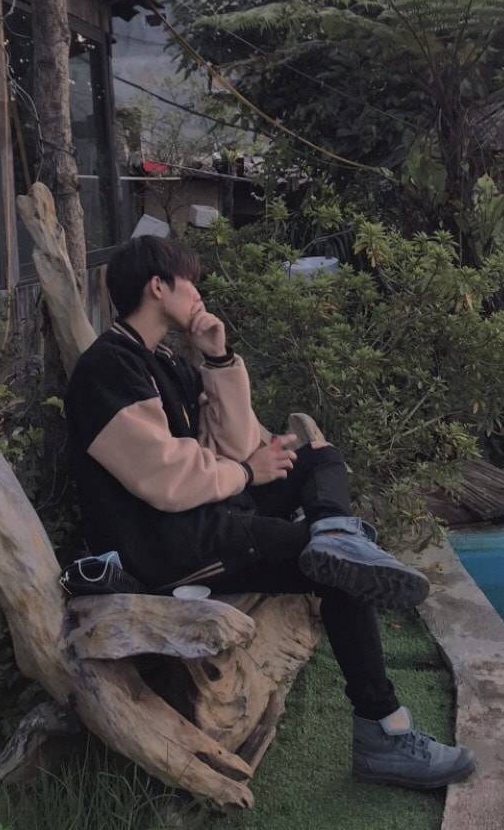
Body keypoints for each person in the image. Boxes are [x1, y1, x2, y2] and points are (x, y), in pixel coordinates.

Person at [64, 235, 476, 791]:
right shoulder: (107, 368)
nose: (199, 293)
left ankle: (335, 531)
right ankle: (382, 733)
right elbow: (162, 477)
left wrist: (217, 359)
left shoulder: (163, 361)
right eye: (191, 282)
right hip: (167, 547)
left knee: (320, 461)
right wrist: (245, 474)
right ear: (157, 286)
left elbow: (234, 445)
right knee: (342, 571)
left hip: (205, 513)